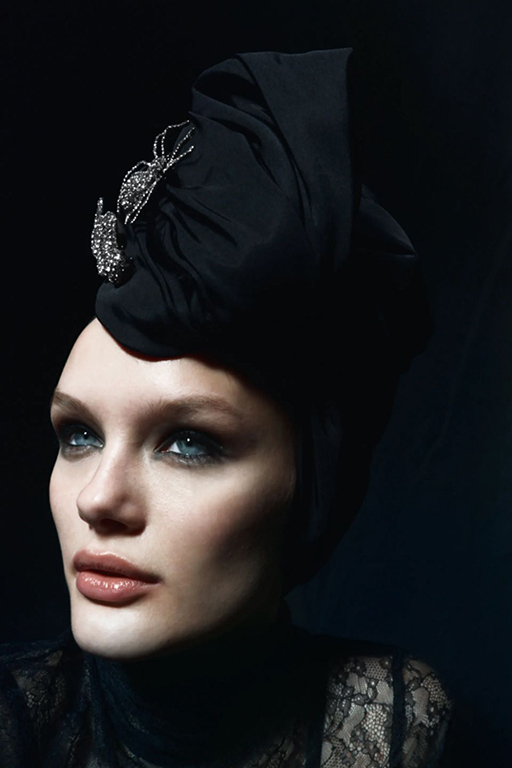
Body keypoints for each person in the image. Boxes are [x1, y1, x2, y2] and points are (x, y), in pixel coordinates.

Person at [0, 48, 453, 767]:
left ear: (312, 488)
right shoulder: (16, 720)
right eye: (79, 434)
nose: (98, 499)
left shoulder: (392, 720)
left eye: (188, 442)